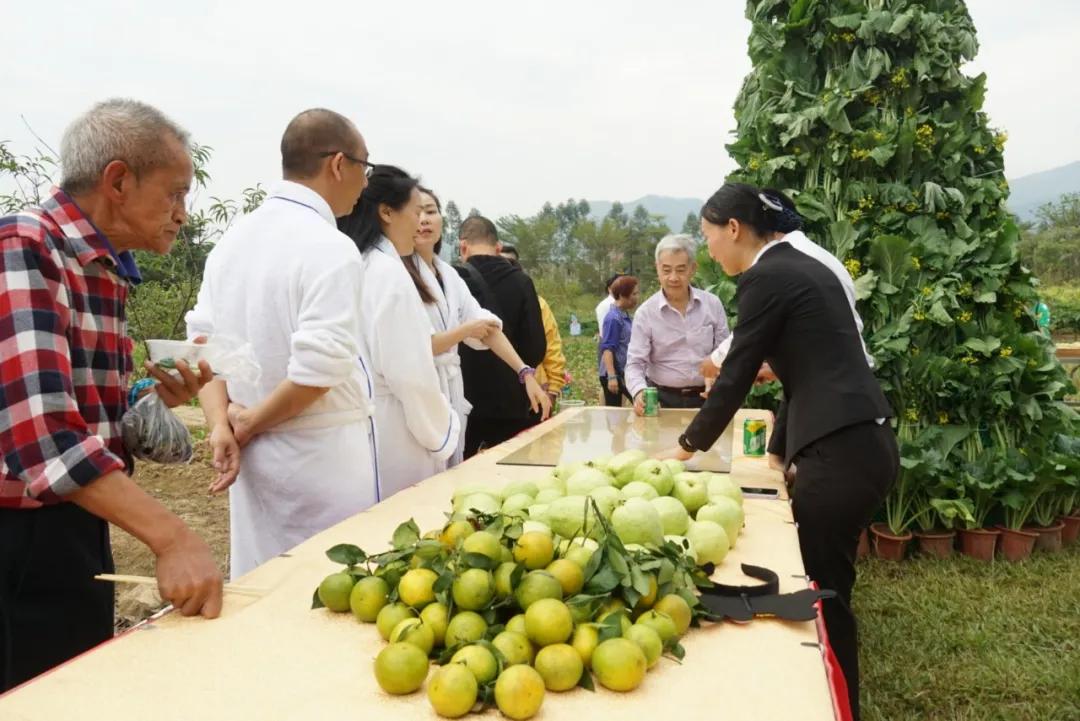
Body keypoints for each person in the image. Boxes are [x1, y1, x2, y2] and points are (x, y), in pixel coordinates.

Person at [0, 99, 223, 690]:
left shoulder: (104, 269)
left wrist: (155, 401)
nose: (183, 214)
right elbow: (43, 438)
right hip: (16, 538)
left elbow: (94, 418)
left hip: (77, 525)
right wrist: (173, 537)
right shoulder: (25, 244)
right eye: (175, 193)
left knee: (77, 684)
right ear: (118, 181)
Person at [660, 183, 897, 720]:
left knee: (822, 596)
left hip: (841, 456)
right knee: (821, 586)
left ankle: (838, 707)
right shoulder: (802, 265)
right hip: (861, 443)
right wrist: (775, 452)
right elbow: (804, 373)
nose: (709, 250)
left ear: (734, 229)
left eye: (708, 237)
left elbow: (737, 371)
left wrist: (686, 447)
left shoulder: (766, 276)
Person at [187, 108, 378, 579]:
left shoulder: (231, 243)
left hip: (253, 458)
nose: (365, 183)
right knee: (327, 586)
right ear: (339, 164)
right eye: (364, 167)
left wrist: (221, 425)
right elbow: (320, 369)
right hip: (320, 457)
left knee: (262, 583)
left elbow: (203, 346)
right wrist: (248, 423)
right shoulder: (330, 247)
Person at [337, 166, 460, 495]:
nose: (420, 224)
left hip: (359, 425)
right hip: (397, 423)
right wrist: (442, 430)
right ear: (387, 212)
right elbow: (409, 372)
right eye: (417, 212)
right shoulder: (388, 274)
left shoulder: (355, 263)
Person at [411, 189, 548, 468]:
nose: (423, 219)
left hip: (460, 392)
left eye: (431, 211)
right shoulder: (394, 272)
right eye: (416, 211)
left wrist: (525, 373)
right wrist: (466, 330)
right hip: (419, 391)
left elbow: (487, 326)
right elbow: (413, 345)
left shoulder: (451, 275)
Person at [455, 216, 547, 456]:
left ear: (463, 247)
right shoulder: (521, 281)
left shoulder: (454, 280)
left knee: (463, 469)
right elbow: (536, 347)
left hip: (465, 401)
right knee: (510, 468)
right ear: (498, 248)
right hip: (511, 400)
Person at [624, 234, 730, 413]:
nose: (673, 278)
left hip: (707, 398)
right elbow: (635, 363)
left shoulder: (712, 304)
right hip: (661, 400)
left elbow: (725, 350)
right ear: (657, 268)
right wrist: (639, 391)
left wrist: (717, 378)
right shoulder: (646, 313)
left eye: (680, 270)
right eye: (666, 270)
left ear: (693, 269)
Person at [500, 244, 566, 407]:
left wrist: (553, 388)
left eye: (512, 264)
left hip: (535, 393)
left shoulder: (537, 304)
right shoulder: (477, 303)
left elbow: (551, 345)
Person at [598, 275, 640, 406]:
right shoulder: (614, 318)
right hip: (613, 374)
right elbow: (607, 349)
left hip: (623, 372)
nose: (637, 298)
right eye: (634, 294)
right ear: (622, 295)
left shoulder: (625, 315)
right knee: (614, 413)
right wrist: (612, 376)